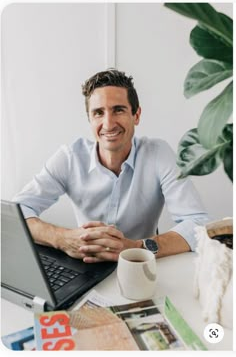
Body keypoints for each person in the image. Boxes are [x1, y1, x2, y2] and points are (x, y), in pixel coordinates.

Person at [13, 69, 209, 263]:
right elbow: (17, 212)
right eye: (98, 113)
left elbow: (198, 224)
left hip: (141, 264)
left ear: (136, 115)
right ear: (90, 119)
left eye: (118, 110)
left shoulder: (158, 154)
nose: (108, 124)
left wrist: (135, 247)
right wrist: (62, 239)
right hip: (86, 265)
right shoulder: (69, 158)